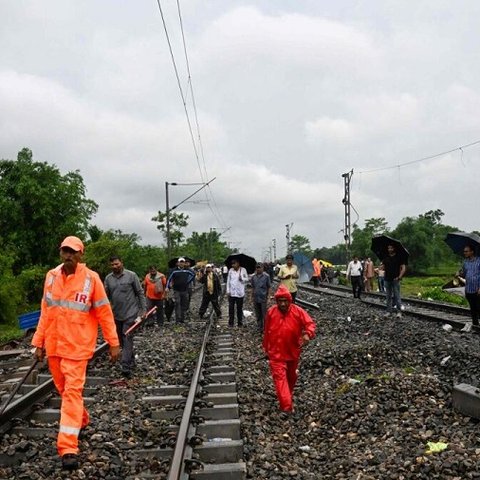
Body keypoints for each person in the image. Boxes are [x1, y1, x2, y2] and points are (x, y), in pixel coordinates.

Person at [32, 236, 120, 470]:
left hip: (78, 348)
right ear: (61, 253)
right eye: (65, 252)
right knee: (63, 390)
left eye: (73, 252)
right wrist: (38, 342)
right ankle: (81, 419)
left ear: (81, 254)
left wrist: (113, 341)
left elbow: (104, 312)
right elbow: (45, 311)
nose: (68, 255)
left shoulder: (92, 279)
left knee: (71, 393)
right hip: (54, 345)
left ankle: (68, 446)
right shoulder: (51, 277)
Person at [263, 285, 316, 413]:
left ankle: (287, 397)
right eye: (280, 301)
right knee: (280, 378)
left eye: (285, 301)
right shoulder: (271, 312)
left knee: (291, 377)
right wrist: (266, 348)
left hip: (292, 351)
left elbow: (310, 324)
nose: (282, 304)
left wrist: (307, 334)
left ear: (289, 300)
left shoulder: (298, 311)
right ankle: (286, 406)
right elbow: (267, 331)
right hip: (275, 353)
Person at [105, 255, 146, 378]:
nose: (115, 266)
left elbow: (140, 293)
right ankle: (131, 360)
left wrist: (143, 310)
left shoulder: (131, 276)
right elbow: (105, 297)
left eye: (117, 264)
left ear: (122, 263)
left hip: (131, 313)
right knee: (121, 341)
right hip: (117, 314)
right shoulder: (108, 279)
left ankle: (125, 365)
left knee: (127, 337)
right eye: (112, 265)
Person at [166, 257, 195, 324]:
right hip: (177, 290)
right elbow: (169, 279)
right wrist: (167, 287)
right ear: (178, 263)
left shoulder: (187, 270)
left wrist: (188, 281)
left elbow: (193, 275)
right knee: (177, 303)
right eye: (180, 262)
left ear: (184, 263)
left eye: (183, 262)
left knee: (183, 305)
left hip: (185, 290)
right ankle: (177, 320)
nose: (181, 263)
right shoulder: (174, 271)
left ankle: (182, 319)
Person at [458, 244, 480, 332]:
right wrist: (459, 273)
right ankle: (475, 326)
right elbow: (463, 273)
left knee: (479, 307)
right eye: (464, 251)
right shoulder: (465, 262)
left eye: (466, 251)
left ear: (472, 251)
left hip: (478, 289)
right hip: (469, 289)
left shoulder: (479, 260)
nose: (465, 253)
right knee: (473, 309)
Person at [383, 245, 406, 318]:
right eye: (388, 248)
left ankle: (399, 312)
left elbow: (403, 268)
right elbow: (383, 267)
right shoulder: (385, 257)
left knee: (397, 296)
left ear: (394, 248)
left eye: (391, 248)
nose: (389, 249)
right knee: (388, 296)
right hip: (387, 279)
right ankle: (388, 311)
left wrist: (399, 277)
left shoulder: (399, 257)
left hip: (395, 279)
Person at [226, 259, 249, 327]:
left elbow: (246, 279)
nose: (233, 265)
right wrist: (228, 290)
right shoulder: (230, 270)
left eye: (234, 263)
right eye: (232, 264)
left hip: (240, 293)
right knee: (231, 308)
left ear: (238, 263)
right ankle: (231, 323)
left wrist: (242, 278)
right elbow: (228, 281)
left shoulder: (243, 270)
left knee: (239, 308)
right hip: (232, 293)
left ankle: (240, 323)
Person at [250, 263, 271, 332]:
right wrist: (251, 296)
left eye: (259, 267)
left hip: (263, 297)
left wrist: (268, 297)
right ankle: (259, 326)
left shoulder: (266, 276)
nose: (258, 269)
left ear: (263, 268)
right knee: (258, 313)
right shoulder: (253, 277)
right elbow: (253, 287)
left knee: (264, 313)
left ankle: (265, 327)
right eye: (257, 267)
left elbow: (269, 287)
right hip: (256, 297)